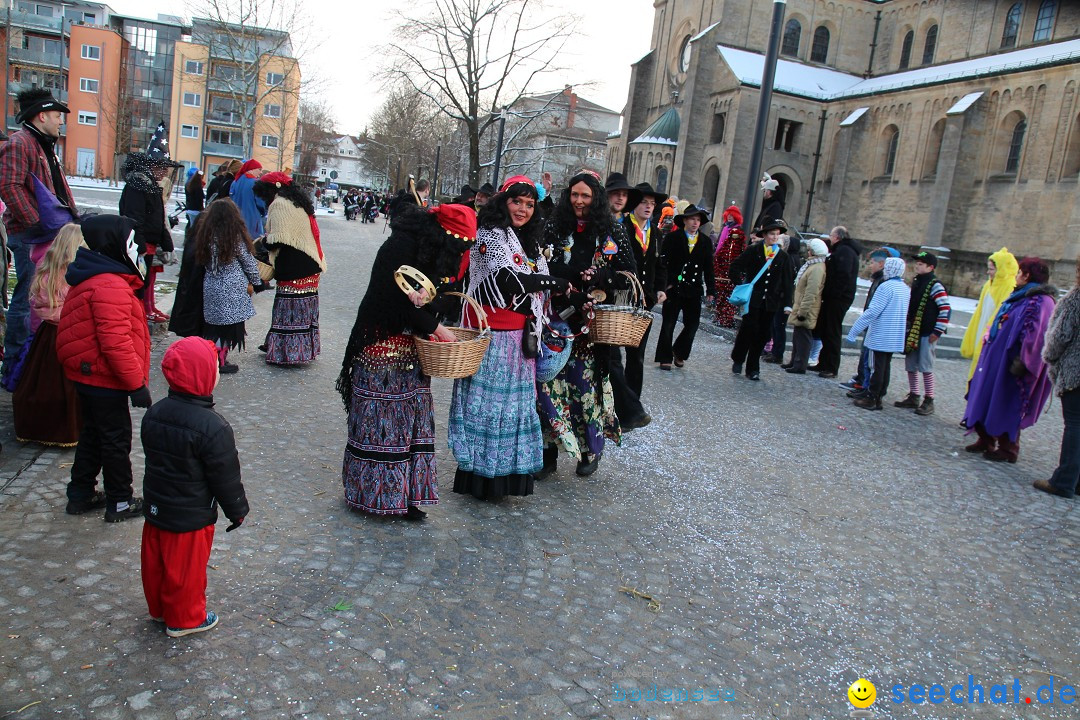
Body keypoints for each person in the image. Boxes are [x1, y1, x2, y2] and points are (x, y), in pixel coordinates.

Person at [338, 204, 474, 519]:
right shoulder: (401, 245)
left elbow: (440, 295)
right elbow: (390, 298)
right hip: (380, 341)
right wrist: (434, 326)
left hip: (413, 349)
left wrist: (434, 301)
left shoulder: (441, 252)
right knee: (381, 420)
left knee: (413, 422)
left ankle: (405, 495)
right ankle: (373, 495)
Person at [449, 176, 570, 501]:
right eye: (518, 201)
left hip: (520, 337)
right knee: (489, 406)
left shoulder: (529, 242)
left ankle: (508, 476)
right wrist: (550, 282)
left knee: (515, 407)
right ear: (504, 201)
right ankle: (482, 477)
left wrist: (557, 282)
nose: (523, 209)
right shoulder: (489, 235)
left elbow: (536, 278)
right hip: (492, 334)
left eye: (530, 204)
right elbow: (508, 280)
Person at [140, 336, 249, 638]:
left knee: (156, 564)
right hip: (190, 513)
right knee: (186, 570)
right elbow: (225, 477)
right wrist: (237, 510)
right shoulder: (213, 427)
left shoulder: (155, 412)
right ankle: (185, 618)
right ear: (204, 375)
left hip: (156, 506)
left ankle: (161, 610)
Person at [538, 171, 635, 477]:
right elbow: (536, 261)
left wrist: (602, 276)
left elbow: (628, 274)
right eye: (575, 194)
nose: (579, 201)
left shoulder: (611, 230)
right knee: (548, 386)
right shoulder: (553, 225)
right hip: (556, 319)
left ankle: (590, 450)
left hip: (591, 328)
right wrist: (560, 281)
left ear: (596, 199)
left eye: (586, 196)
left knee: (583, 388)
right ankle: (548, 452)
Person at [57, 215, 152, 522]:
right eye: (132, 242)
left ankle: (80, 493)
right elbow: (116, 342)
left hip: (89, 374)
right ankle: (120, 501)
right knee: (115, 439)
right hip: (103, 378)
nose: (137, 248)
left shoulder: (98, 276)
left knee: (94, 435)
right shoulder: (109, 285)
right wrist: (135, 384)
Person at [0, 87, 78, 380]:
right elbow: (8, 185)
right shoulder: (21, 143)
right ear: (41, 115)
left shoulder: (43, 144)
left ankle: (34, 362)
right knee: (27, 298)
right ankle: (16, 367)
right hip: (30, 236)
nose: (61, 121)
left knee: (44, 296)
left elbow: (57, 188)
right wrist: (37, 222)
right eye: (57, 115)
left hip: (48, 235)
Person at [962, 257, 1056, 464]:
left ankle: (1008, 448)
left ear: (1028, 275)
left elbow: (1037, 335)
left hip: (1013, 364)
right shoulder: (1020, 296)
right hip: (996, 358)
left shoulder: (1041, 301)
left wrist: (1024, 361)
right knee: (984, 394)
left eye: (1020, 271)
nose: (1016, 275)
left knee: (1007, 401)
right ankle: (985, 439)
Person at [13, 223, 84, 445]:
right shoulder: (72, 274)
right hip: (64, 333)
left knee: (41, 381)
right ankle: (63, 429)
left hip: (48, 334)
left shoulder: (49, 268)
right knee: (61, 385)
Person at [253, 172, 326, 366]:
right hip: (310, 264)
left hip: (294, 266)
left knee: (287, 309)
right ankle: (300, 349)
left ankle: (287, 352)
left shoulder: (279, 204)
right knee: (304, 309)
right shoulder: (297, 202)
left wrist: (261, 243)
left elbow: (278, 238)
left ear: (271, 190)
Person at [609, 180, 662, 429]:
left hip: (644, 301)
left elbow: (661, 264)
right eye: (644, 202)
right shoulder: (622, 227)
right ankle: (622, 403)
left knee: (636, 355)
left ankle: (631, 403)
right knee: (612, 352)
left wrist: (661, 288)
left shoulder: (656, 233)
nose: (648, 207)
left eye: (652, 204)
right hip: (620, 297)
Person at [192, 200, 266, 374]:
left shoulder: (205, 237)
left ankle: (212, 357)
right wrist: (257, 282)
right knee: (228, 329)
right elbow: (248, 262)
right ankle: (220, 360)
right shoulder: (234, 238)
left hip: (211, 285)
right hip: (232, 288)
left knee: (214, 327)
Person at [728, 218, 795, 381]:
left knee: (763, 334)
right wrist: (741, 285)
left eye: (777, 235)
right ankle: (738, 358)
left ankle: (753, 367)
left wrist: (787, 303)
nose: (774, 237)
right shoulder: (754, 250)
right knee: (748, 329)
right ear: (764, 235)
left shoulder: (783, 257)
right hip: (753, 300)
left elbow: (787, 282)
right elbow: (735, 266)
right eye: (772, 234)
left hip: (771, 302)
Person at [1036, 256, 1080, 499]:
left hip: (1076, 372)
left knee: (1074, 426)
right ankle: (1076, 480)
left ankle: (1064, 481)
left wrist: (1049, 357)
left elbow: (1060, 336)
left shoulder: (1076, 298)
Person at [844, 258, 910, 410]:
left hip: (881, 334)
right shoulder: (904, 288)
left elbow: (872, 311)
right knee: (885, 366)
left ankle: (871, 397)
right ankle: (878, 396)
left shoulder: (885, 287)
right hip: (893, 335)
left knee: (875, 367)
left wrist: (854, 330)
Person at [655, 204, 714, 371]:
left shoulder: (705, 241)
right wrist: (665, 283)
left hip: (694, 289)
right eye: (692, 219)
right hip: (674, 287)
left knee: (692, 324)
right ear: (685, 220)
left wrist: (711, 289)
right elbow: (663, 263)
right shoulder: (673, 238)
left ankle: (679, 351)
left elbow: (709, 267)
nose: (695, 223)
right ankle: (664, 357)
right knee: (668, 323)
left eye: (698, 220)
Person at [119, 152, 175, 323]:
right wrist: (140, 243)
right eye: (162, 168)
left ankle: (146, 307)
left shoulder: (149, 183)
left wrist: (165, 240)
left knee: (147, 278)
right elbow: (135, 216)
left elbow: (157, 214)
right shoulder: (138, 184)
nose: (165, 173)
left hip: (150, 240)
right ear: (153, 167)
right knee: (140, 280)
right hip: (142, 242)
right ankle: (139, 311)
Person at [894, 251, 951, 416]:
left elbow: (945, 309)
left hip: (928, 332)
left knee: (926, 366)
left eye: (920, 264)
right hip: (915, 331)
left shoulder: (935, 285)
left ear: (930, 267)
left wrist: (938, 331)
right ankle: (914, 394)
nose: (916, 266)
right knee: (911, 364)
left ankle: (929, 398)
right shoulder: (918, 282)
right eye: (916, 263)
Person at [841, 247, 901, 394]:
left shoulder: (884, 283)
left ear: (883, 264)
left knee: (874, 362)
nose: (870, 265)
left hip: (879, 329)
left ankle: (869, 389)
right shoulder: (887, 282)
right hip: (881, 329)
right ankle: (866, 383)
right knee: (875, 362)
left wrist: (857, 328)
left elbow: (875, 309)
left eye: (873, 262)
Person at [960, 248, 1018, 382]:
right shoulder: (989, 284)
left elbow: (1000, 315)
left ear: (1001, 269)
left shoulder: (1009, 286)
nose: (988, 272)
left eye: (991, 269)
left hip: (990, 336)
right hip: (981, 330)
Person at [812, 226, 861, 379]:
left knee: (832, 330)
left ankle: (831, 367)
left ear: (837, 237)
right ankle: (824, 362)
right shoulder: (842, 250)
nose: (830, 238)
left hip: (838, 298)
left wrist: (833, 293)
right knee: (826, 329)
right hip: (835, 297)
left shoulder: (845, 251)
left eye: (831, 235)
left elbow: (843, 275)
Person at [784, 238, 829, 374]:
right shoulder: (812, 265)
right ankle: (795, 361)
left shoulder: (817, 268)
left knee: (803, 337)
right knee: (798, 335)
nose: (807, 252)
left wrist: (803, 311)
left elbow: (811, 292)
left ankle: (800, 364)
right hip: (801, 305)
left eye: (809, 250)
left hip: (807, 308)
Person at [712, 204, 746, 328]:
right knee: (721, 294)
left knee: (728, 296)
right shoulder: (726, 229)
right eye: (729, 215)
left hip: (729, 268)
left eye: (732, 215)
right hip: (722, 267)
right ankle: (719, 315)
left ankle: (726, 318)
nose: (730, 217)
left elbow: (734, 251)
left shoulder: (737, 232)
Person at [229, 159, 266, 239]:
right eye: (259, 169)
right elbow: (261, 203)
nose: (260, 172)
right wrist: (264, 212)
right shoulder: (256, 184)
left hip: (235, 221)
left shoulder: (235, 182)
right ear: (251, 170)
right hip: (252, 224)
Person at [184, 168, 205, 239]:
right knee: (195, 228)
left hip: (190, 208)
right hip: (196, 210)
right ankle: (191, 241)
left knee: (191, 226)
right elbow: (199, 199)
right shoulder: (198, 187)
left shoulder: (189, 184)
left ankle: (188, 240)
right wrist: (202, 209)